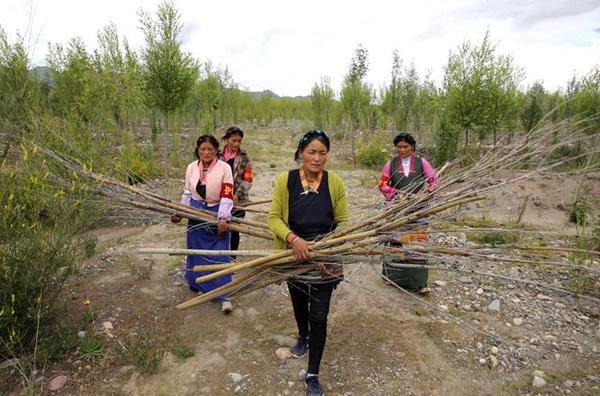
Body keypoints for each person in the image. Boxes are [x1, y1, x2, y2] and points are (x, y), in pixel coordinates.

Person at [268, 129, 349, 396]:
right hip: (294, 254)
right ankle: (303, 336)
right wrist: (293, 239)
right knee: (299, 302)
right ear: (301, 153)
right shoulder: (286, 181)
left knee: (320, 314)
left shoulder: (335, 182)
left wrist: (327, 245)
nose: (317, 158)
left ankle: (313, 372)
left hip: (325, 256)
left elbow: (344, 222)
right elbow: (274, 219)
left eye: (322, 153)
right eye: (311, 152)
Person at [171, 135, 235, 314]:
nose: (206, 153)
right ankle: (198, 284)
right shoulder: (191, 167)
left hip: (217, 213)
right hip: (195, 213)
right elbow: (187, 193)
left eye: (210, 150)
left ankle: (223, 295)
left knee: (220, 253)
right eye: (202, 150)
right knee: (196, 250)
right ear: (198, 150)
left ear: (216, 151)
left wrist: (223, 218)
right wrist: (180, 211)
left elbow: (227, 195)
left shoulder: (225, 168)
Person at [378, 132, 439, 294]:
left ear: (412, 147)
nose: (402, 150)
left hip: (418, 209)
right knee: (397, 241)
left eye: (406, 147)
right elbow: (382, 185)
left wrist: (423, 195)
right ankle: (393, 278)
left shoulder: (422, 163)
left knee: (417, 243)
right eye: (399, 147)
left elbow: (433, 181)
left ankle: (418, 283)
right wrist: (397, 194)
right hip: (397, 209)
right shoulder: (390, 164)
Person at [218, 126, 253, 258]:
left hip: (237, 200)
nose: (236, 144)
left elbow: (248, 179)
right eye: (234, 141)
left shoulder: (244, 157)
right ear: (227, 139)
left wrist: (237, 195)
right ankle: (219, 258)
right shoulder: (218, 155)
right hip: (220, 198)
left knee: (234, 229)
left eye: (239, 141)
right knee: (220, 226)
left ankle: (231, 259)